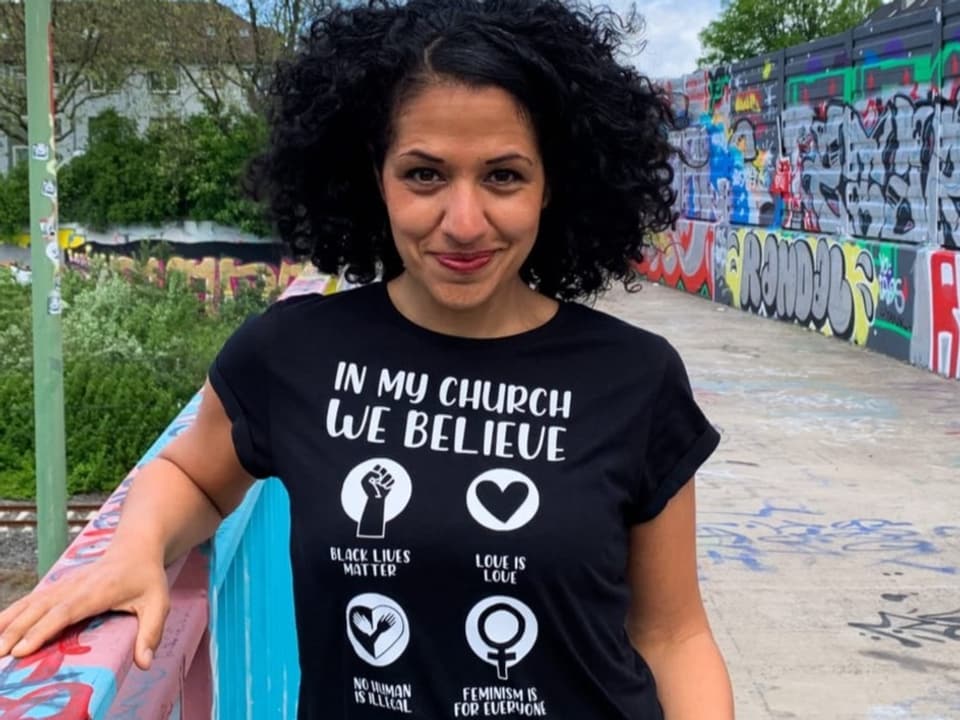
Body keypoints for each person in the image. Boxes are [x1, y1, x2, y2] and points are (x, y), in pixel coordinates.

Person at [0, 0, 734, 717]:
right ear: (371, 174)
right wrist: (136, 548)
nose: (464, 221)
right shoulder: (292, 352)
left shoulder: (633, 377)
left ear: (553, 186)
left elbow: (673, 634)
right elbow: (191, 471)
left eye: (504, 176)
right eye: (424, 175)